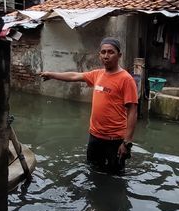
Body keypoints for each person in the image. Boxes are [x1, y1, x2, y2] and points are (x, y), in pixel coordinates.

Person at [40, 37, 138, 174]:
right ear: (99, 55)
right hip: (95, 137)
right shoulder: (97, 74)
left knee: (115, 176)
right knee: (93, 171)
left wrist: (127, 143)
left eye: (111, 52)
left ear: (119, 55)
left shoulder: (126, 79)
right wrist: (52, 75)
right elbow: (75, 76)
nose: (106, 56)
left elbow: (133, 111)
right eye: (103, 52)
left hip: (115, 140)